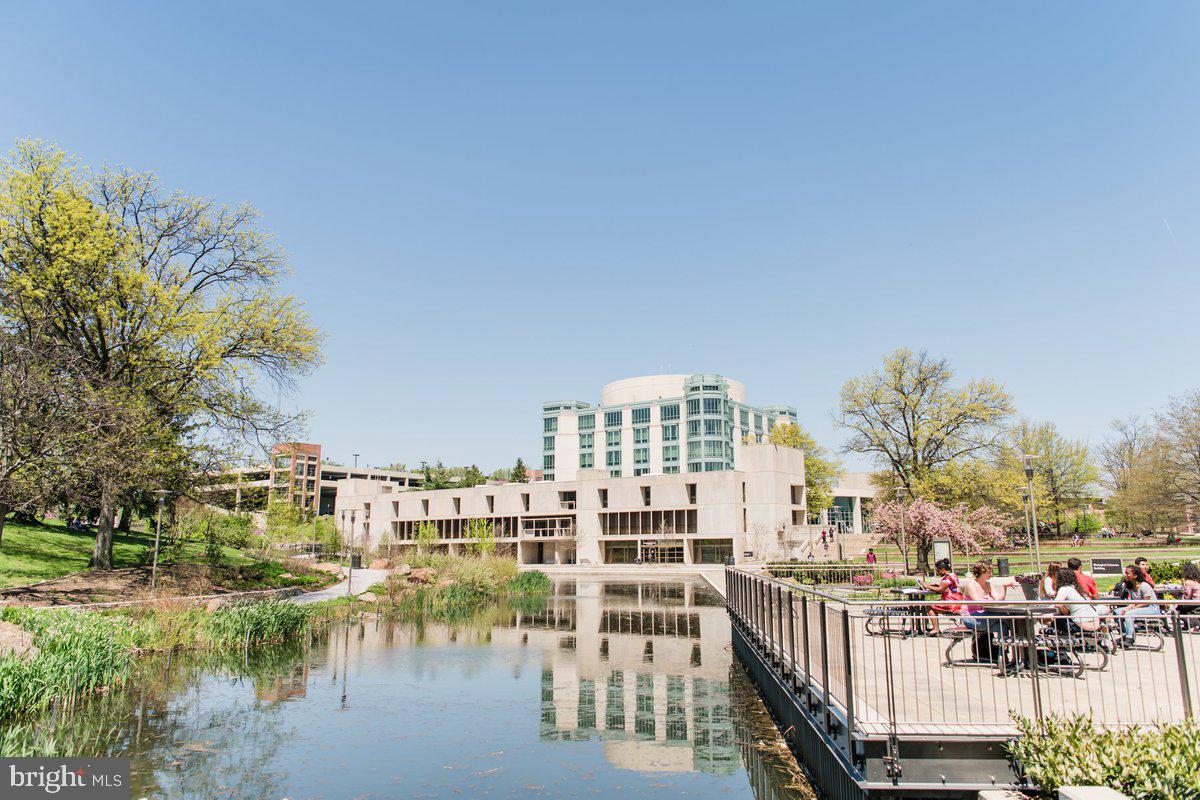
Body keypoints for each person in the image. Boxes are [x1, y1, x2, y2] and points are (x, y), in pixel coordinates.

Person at [959, 561, 1018, 661]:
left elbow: (998, 600)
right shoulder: (971, 585)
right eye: (989, 572)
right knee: (1009, 616)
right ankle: (1017, 625)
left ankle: (1002, 654)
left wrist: (1004, 587)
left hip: (987, 617)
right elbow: (978, 602)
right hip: (972, 617)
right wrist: (991, 602)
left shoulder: (989, 585)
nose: (991, 574)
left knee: (1002, 626)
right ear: (981, 572)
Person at [1115, 564, 1160, 646]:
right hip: (1139, 607)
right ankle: (1124, 634)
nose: (1125, 575)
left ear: (1135, 575)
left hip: (1151, 608)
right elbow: (1133, 601)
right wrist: (1129, 607)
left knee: (1128, 614)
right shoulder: (1130, 587)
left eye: (1127, 573)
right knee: (1117, 612)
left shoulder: (1144, 586)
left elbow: (1146, 602)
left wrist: (1131, 608)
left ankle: (1130, 637)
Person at [1051, 567, 1100, 636]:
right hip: (1095, 623)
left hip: (1081, 624)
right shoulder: (1077, 589)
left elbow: (1057, 604)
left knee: (1056, 619)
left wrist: (1061, 607)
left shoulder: (1064, 589)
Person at [920, 558, 964, 628]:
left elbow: (940, 590)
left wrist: (926, 586)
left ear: (942, 569)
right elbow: (947, 588)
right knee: (932, 604)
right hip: (958, 601)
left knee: (929, 606)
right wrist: (934, 585)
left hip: (951, 603)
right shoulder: (953, 575)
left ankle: (935, 628)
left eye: (938, 570)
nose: (937, 572)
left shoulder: (947, 578)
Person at [1179, 562, 1200, 630]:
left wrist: (1183, 589)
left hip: (1195, 603)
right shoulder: (1197, 581)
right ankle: (1188, 624)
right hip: (1197, 602)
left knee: (1178, 609)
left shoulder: (1188, 582)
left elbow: (1187, 597)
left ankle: (1192, 624)